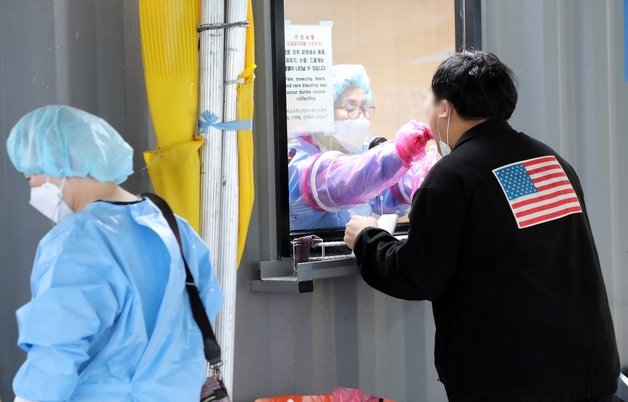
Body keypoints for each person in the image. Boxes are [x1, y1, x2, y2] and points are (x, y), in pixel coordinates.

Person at [344, 51, 620, 401]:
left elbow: (417, 274)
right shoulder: (550, 163)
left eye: (429, 100)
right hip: (588, 371)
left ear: (445, 108)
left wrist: (366, 238)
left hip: (514, 382)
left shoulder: (452, 178)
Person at [5, 105, 223, 402]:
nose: (33, 189)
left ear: (58, 166)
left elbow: (55, 350)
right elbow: (201, 314)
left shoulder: (79, 241)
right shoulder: (174, 226)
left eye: (31, 177)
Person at [288, 64, 437, 231]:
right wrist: (400, 152)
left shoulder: (359, 151)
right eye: (350, 108)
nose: (360, 117)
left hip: (356, 250)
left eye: (364, 108)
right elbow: (347, 178)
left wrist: (422, 179)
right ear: (324, 113)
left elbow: (387, 191)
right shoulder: (299, 160)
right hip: (315, 254)